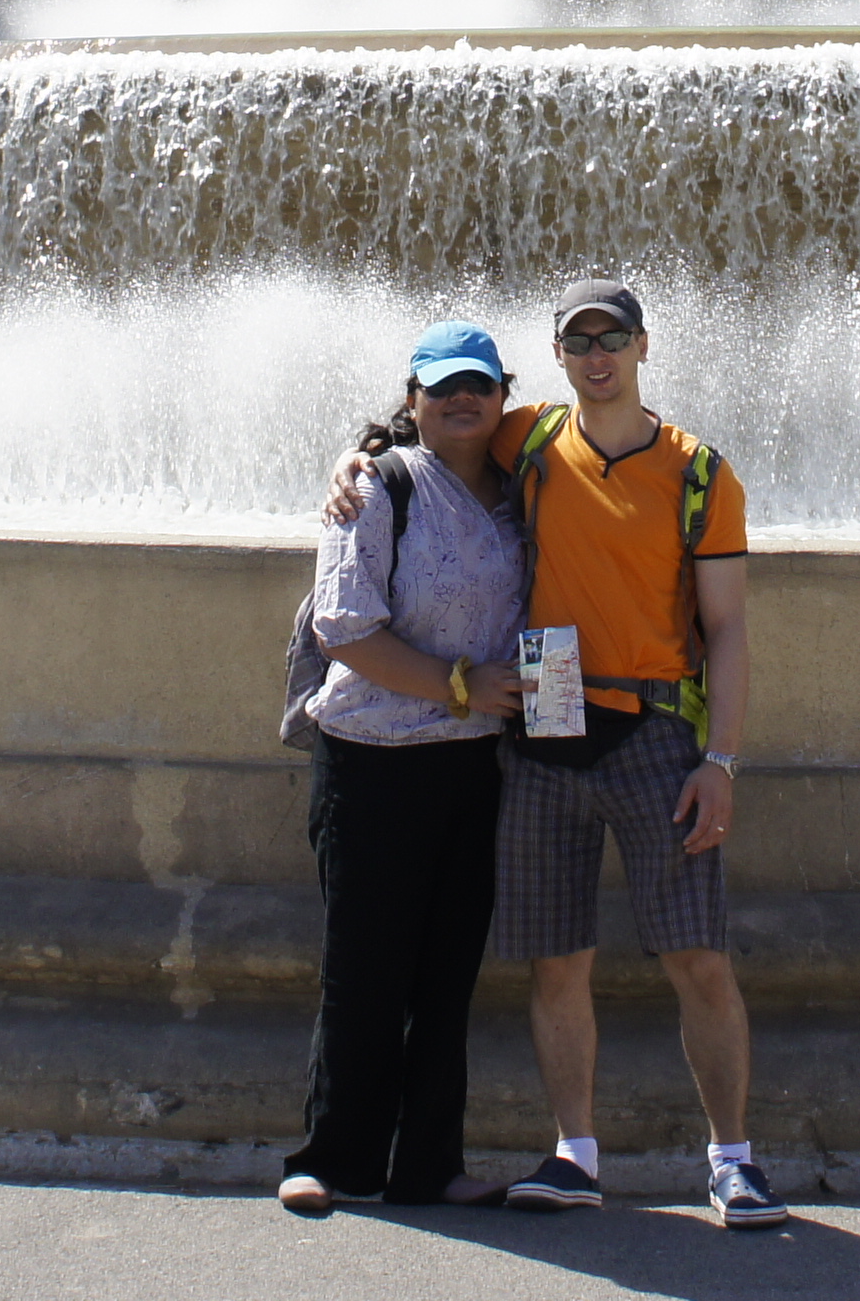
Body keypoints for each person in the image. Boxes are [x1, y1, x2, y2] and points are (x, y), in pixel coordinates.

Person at [492, 284, 775, 1229]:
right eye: (579, 341)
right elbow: (425, 432)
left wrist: (720, 761)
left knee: (699, 958)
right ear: (558, 355)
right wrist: (352, 461)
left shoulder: (698, 472)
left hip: (655, 731)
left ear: (643, 345)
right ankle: (574, 1153)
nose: (597, 355)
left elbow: (726, 629)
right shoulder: (528, 437)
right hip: (545, 720)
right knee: (556, 961)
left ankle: (733, 1161)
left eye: (612, 337)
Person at [277, 323, 530, 1217]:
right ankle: (332, 1159)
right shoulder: (378, 487)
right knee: (363, 971)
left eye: (478, 385)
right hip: (372, 760)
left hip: (474, 765)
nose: (462, 399)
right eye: (442, 386)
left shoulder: (524, 490)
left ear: (503, 395)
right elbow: (343, 627)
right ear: (413, 398)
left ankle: (430, 1165)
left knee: (446, 975)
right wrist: (461, 684)